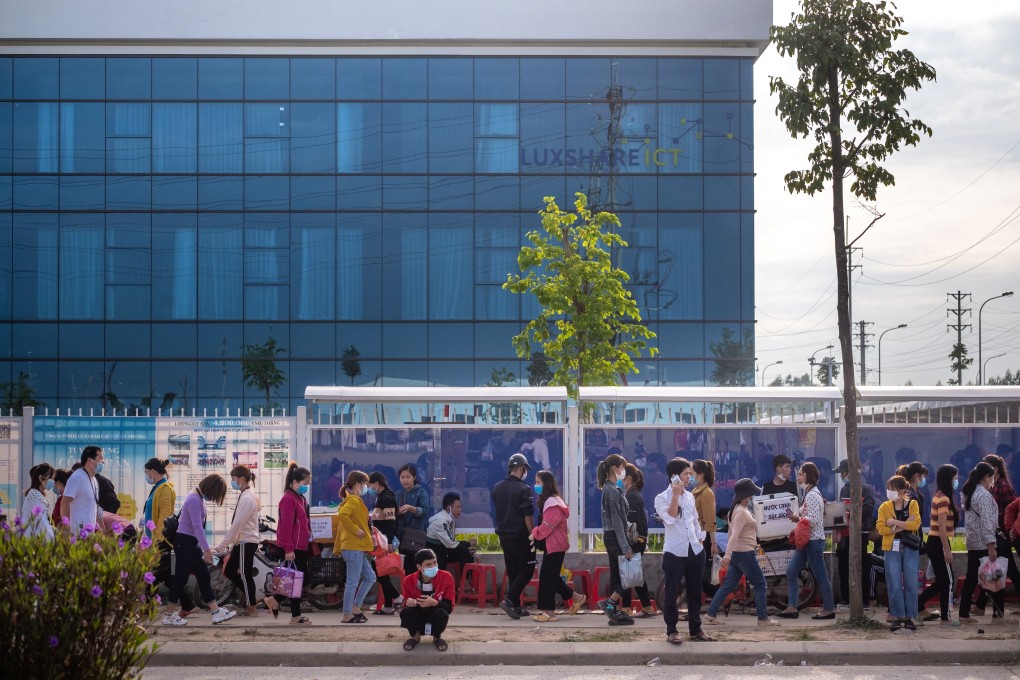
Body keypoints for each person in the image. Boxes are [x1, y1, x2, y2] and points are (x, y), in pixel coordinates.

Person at [704, 478, 781, 627]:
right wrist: (727, 555)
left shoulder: (737, 510)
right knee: (760, 584)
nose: (752, 497)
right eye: (751, 494)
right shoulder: (741, 512)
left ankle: (710, 614)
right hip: (745, 554)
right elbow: (733, 535)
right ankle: (763, 618)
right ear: (747, 494)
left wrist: (730, 554)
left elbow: (732, 534)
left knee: (728, 585)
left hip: (739, 554)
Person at [162, 474, 237, 626]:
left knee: (203, 576)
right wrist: (206, 550)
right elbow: (197, 527)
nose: (214, 498)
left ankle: (216, 611)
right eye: (216, 494)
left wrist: (203, 548)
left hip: (190, 543)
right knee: (180, 579)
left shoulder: (197, 497)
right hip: (185, 543)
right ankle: (169, 615)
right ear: (210, 488)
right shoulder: (194, 499)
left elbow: (196, 528)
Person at [655, 457, 712, 645]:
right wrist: (674, 495)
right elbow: (670, 518)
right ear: (674, 476)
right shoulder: (661, 498)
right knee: (671, 592)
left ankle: (696, 629)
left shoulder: (689, 496)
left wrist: (700, 538)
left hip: (694, 549)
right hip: (674, 551)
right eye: (686, 474)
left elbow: (694, 519)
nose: (690, 477)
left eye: (690, 473)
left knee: (695, 592)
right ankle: (672, 630)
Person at [777, 462, 835, 620]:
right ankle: (792, 606)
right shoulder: (809, 494)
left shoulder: (813, 495)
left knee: (821, 576)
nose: (798, 476)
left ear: (808, 476)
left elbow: (814, 520)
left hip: (813, 541)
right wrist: (797, 514)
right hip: (806, 541)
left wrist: (798, 517)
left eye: (801, 474)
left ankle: (829, 609)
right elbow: (806, 513)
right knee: (791, 571)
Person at [142, 458, 197, 617]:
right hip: (156, 539)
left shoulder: (164, 489)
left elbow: (164, 518)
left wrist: (157, 541)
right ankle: (188, 604)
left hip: (161, 541)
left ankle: (147, 610)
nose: (146, 476)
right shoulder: (157, 488)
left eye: (147, 473)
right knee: (164, 577)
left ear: (152, 472)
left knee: (151, 576)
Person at [530, 469, 585, 621]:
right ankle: (577, 598)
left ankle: (549, 612)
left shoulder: (552, 503)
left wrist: (534, 533)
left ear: (546, 484)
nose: (536, 485)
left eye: (538, 482)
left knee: (547, 578)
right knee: (552, 577)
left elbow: (547, 526)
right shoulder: (552, 501)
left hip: (555, 545)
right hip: (554, 544)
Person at [266, 462, 314, 625]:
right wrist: (288, 548)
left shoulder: (300, 498)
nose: (306, 487)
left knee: (297, 579)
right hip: (291, 547)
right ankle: (295, 616)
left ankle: (275, 600)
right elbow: (285, 527)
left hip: (300, 546)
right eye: (305, 483)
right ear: (295, 482)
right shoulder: (288, 499)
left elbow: (304, 522)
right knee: (296, 580)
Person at [491, 452, 536, 620]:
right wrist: (532, 535)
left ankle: (516, 605)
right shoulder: (524, 489)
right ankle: (510, 600)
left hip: (504, 535)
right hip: (520, 536)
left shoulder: (497, 487)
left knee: (513, 571)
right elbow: (527, 515)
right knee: (528, 569)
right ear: (522, 468)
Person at [973, 454, 1019, 617]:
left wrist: (1010, 529)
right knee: (998, 571)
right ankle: (986, 607)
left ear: (995, 470)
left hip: (1002, 536)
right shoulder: (992, 487)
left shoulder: (1003, 486)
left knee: (1005, 571)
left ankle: (988, 608)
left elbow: (1013, 509)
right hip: (996, 535)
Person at [875, 474, 922, 632]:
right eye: (888, 489)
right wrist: (905, 525)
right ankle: (896, 616)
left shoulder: (913, 504)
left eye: (893, 489)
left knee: (910, 583)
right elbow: (881, 529)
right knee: (894, 583)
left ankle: (909, 617)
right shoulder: (884, 507)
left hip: (909, 548)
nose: (890, 492)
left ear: (902, 490)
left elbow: (916, 524)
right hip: (892, 549)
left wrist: (894, 523)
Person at [214, 465, 261, 617]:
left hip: (245, 541)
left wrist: (223, 544)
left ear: (241, 479)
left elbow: (238, 523)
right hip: (242, 541)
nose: (233, 482)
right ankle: (251, 598)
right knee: (229, 571)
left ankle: (252, 606)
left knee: (245, 574)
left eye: (234, 479)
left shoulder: (247, 497)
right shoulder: (247, 495)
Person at [595, 452, 635, 626]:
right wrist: (626, 547)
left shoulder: (612, 489)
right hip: (615, 536)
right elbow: (618, 522)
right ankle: (610, 604)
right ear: (614, 469)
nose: (623, 472)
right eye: (622, 468)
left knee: (617, 576)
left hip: (611, 536)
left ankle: (613, 610)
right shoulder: (611, 491)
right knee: (629, 575)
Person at [958, 461, 999, 623]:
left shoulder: (970, 492)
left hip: (973, 541)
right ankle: (996, 612)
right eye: (992, 478)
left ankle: (964, 613)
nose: (992, 481)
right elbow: (987, 522)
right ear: (985, 477)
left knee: (971, 578)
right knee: (993, 577)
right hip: (983, 542)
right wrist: (991, 546)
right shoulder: (983, 496)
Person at [917, 464, 959, 624]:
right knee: (947, 581)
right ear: (949, 479)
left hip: (935, 542)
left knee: (942, 581)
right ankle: (945, 618)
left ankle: (918, 603)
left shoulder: (939, 495)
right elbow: (941, 527)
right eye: (955, 478)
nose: (956, 481)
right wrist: (947, 551)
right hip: (938, 542)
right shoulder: (943, 498)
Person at [335, 470, 377, 624]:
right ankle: (347, 613)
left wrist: (366, 529)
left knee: (370, 577)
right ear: (358, 485)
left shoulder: (354, 500)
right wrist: (357, 530)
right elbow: (342, 516)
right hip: (353, 547)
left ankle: (355, 607)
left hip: (356, 547)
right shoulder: (353, 500)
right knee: (353, 581)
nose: (366, 487)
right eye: (365, 484)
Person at [833, 459, 876, 611]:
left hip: (860, 534)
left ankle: (863, 601)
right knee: (843, 567)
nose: (841, 476)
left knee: (861, 567)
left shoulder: (866, 489)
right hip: (845, 534)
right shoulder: (844, 490)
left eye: (843, 473)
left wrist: (853, 510)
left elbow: (868, 510)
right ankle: (845, 600)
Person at [400, 548, 455, 653]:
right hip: (418, 614)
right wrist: (409, 602)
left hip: (436, 615)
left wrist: (435, 603)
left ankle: (437, 637)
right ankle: (415, 637)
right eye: (428, 564)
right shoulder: (408, 580)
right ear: (419, 567)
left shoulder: (446, 577)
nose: (433, 567)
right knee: (405, 612)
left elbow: (449, 606)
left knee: (442, 613)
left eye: (435, 563)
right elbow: (405, 604)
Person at [620, 464, 653, 618]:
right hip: (637, 539)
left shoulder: (631, 496)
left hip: (634, 540)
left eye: (621, 475)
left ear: (629, 478)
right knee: (634, 572)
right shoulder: (632, 494)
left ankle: (627, 608)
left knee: (628, 572)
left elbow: (630, 523)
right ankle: (646, 606)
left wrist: (626, 543)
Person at [368, 471, 402, 614]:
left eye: (370, 485)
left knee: (376, 570)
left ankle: (397, 597)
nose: (369, 488)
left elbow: (391, 521)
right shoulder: (380, 497)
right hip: (381, 540)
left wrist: (388, 542)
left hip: (384, 541)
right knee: (382, 571)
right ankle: (388, 606)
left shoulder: (386, 498)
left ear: (377, 483)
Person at [426, 492, 475, 576]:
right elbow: (450, 544)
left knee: (467, 553)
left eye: (460, 507)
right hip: (435, 553)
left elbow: (452, 540)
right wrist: (468, 543)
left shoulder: (449, 519)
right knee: (464, 550)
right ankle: (465, 583)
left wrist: (466, 546)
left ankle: (466, 582)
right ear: (449, 508)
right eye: (458, 507)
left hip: (444, 550)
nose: (460, 510)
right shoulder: (440, 521)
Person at [61, 445, 105, 535]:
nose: (103, 462)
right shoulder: (77, 478)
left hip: (89, 534)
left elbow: (95, 507)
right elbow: (65, 502)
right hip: (77, 533)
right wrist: (66, 529)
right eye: (100, 458)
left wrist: (103, 531)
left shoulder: (94, 480)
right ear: (89, 460)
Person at [395, 463, 430, 575]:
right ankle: (408, 590)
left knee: (417, 566)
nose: (405, 480)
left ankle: (418, 590)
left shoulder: (421, 492)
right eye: (402, 477)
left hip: (416, 536)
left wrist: (411, 508)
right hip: (402, 536)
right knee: (406, 568)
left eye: (408, 477)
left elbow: (424, 511)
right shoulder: (398, 494)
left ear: (414, 478)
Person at [692, 459, 719, 598]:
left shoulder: (706, 493)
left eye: (692, 473)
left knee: (702, 574)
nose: (690, 476)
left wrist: (713, 543)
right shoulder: (695, 491)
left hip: (705, 536)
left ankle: (719, 597)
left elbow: (710, 520)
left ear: (700, 475)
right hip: (695, 535)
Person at [22, 463, 55, 540]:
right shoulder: (35, 497)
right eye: (50, 478)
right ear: (41, 478)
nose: (52, 481)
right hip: (35, 541)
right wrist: (52, 539)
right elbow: (41, 522)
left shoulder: (37, 495)